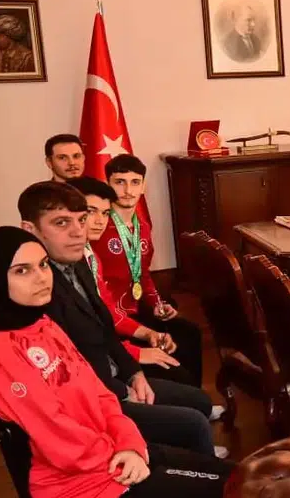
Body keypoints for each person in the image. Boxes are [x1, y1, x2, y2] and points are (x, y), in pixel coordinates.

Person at [0, 227, 265, 498]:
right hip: (80, 496)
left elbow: (101, 396)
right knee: (222, 493)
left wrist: (130, 444)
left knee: (236, 477)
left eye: (42, 265)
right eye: (22, 271)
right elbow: (56, 437)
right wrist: (122, 454)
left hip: (114, 461)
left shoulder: (41, 323)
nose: (40, 278)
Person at [19, 181, 218, 455]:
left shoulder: (77, 261)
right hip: (95, 398)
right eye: (62, 223)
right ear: (30, 229)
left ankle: (178, 451)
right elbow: (73, 364)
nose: (79, 231)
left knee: (199, 399)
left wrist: (133, 372)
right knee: (194, 424)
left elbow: (104, 326)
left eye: (82, 220)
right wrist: (123, 390)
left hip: (114, 374)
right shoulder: (39, 289)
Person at [91, 154, 204, 385]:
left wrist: (157, 305)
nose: (128, 190)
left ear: (143, 186)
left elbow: (142, 273)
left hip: (136, 309)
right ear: (108, 185)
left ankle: (197, 396)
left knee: (189, 333)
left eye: (135, 182)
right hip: (112, 319)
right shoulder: (97, 228)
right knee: (171, 361)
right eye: (119, 182)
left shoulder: (142, 227)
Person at [66, 177, 191, 380]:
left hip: (116, 330)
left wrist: (149, 333)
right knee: (179, 376)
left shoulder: (90, 254)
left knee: (184, 342)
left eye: (105, 213)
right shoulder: (67, 265)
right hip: (93, 361)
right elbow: (84, 333)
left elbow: (110, 308)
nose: (100, 221)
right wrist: (133, 353)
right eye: (91, 212)